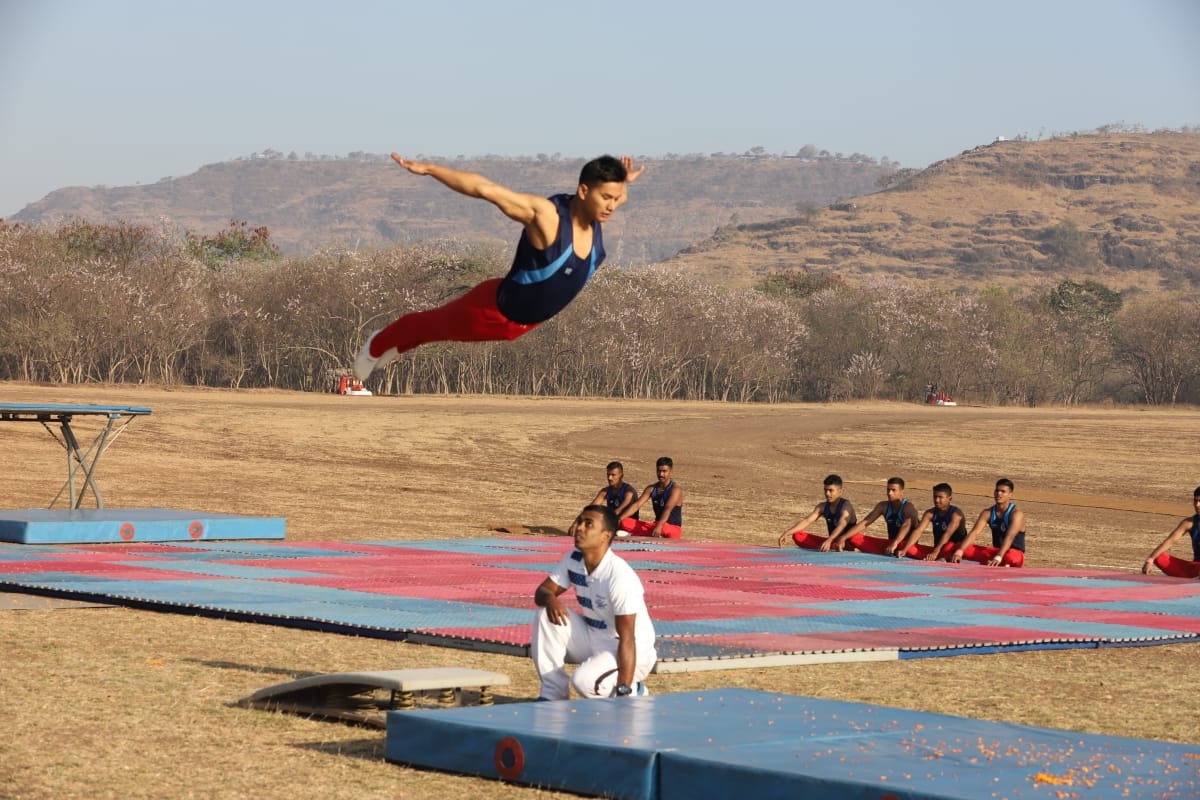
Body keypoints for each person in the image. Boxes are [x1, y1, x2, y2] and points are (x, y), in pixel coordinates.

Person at [353, 153, 644, 379]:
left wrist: (622, 183)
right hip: (493, 312)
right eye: (606, 197)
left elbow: (617, 194)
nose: (612, 206)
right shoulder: (546, 218)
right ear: (583, 191)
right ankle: (377, 344)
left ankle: (396, 346)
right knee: (431, 326)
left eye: (617, 199)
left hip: (524, 325)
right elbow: (485, 189)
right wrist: (430, 169)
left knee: (435, 332)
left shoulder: (599, 217)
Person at [532, 505, 656, 700]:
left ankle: (634, 690)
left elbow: (628, 638)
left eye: (588, 524)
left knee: (585, 682)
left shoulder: (619, 577)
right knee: (544, 615)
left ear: (605, 536)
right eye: (580, 521)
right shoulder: (573, 559)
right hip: (593, 638)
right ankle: (552, 695)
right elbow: (542, 592)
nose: (580, 528)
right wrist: (550, 599)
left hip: (630, 649)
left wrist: (623, 691)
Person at [950, 478, 1026, 567]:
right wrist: (959, 552)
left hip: (1013, 553)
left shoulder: (1016, 514)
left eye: (1003, 491)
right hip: (997, 551)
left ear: (1010, 495)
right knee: (958, 547)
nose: (999, 493)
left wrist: (998, 557)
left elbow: (1010, 537)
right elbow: (974, 533)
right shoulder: (988, 513)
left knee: (1011, 556)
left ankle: (997, 562)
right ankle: (993, 562)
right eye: (997, 490)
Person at [838, 477, 920, 556]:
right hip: (890, 545)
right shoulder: (883, 506)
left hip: (906, 546)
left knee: (908, 548)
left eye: (893, 490)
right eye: (888, 490)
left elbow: (906, 526)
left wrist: (896, 543)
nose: (890, 493)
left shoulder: (908, 507)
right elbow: (865, 523)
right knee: (853, 537)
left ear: (902, 492)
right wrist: (844, 537)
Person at [777, 474, 857, 550]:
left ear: (840, 491)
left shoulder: (846, 506)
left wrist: (829, 540)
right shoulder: (822, 506)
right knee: (797, 535)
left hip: (845, 543)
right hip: (831, 542)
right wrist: (787, 533)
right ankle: (825, 547)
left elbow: (841, 525)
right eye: (825, 490)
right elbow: (807, 521)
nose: (827, 494)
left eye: (831, 490)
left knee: (853, 539)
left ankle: (827, 546)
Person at [1141, 487, 1200, 578]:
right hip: (1196, 568)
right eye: (1195, 501)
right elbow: (1169, 542)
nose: (1197, 505)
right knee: (1159, 556)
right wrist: (1150, 560)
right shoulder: (1189, 523)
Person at [900, 482, 969, 560]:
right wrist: (905, 550)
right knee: (904, 545)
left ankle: (939, 557)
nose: (936, 500)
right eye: (935, 497)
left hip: (954, 550)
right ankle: (935, 557)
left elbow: (948, 534)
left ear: (950, 499)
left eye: (940, 497)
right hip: (938, 550)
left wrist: (935, 551)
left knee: (948, 546)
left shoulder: (956, 514)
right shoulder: (930, 513)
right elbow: (918, 531)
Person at [618, 457, 683, 538]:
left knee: (664, 528)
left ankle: (634, 535)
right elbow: (637, 505)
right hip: (655, 526)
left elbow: (668, 509)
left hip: (671, 528)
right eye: (658, 471)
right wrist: (620, 519)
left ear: (671, 472)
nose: (661, 474)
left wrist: (659, 526)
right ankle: (646, 534)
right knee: (625, 522)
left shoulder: (675, 490)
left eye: (664, 471)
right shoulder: (651, 488)